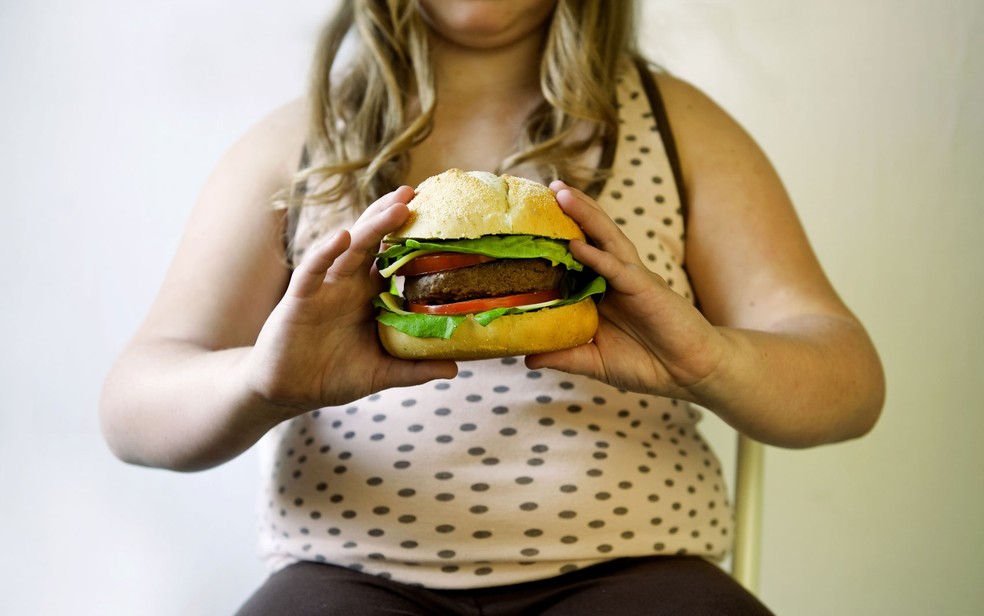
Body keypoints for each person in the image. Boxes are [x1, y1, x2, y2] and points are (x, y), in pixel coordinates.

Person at [100, 1, 885, 614]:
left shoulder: (685, 132)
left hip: (642, 568)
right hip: (348, 573)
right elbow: (133, 409)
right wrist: (262, 383)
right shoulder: (300, 142)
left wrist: (712, 361)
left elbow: (849, 382)